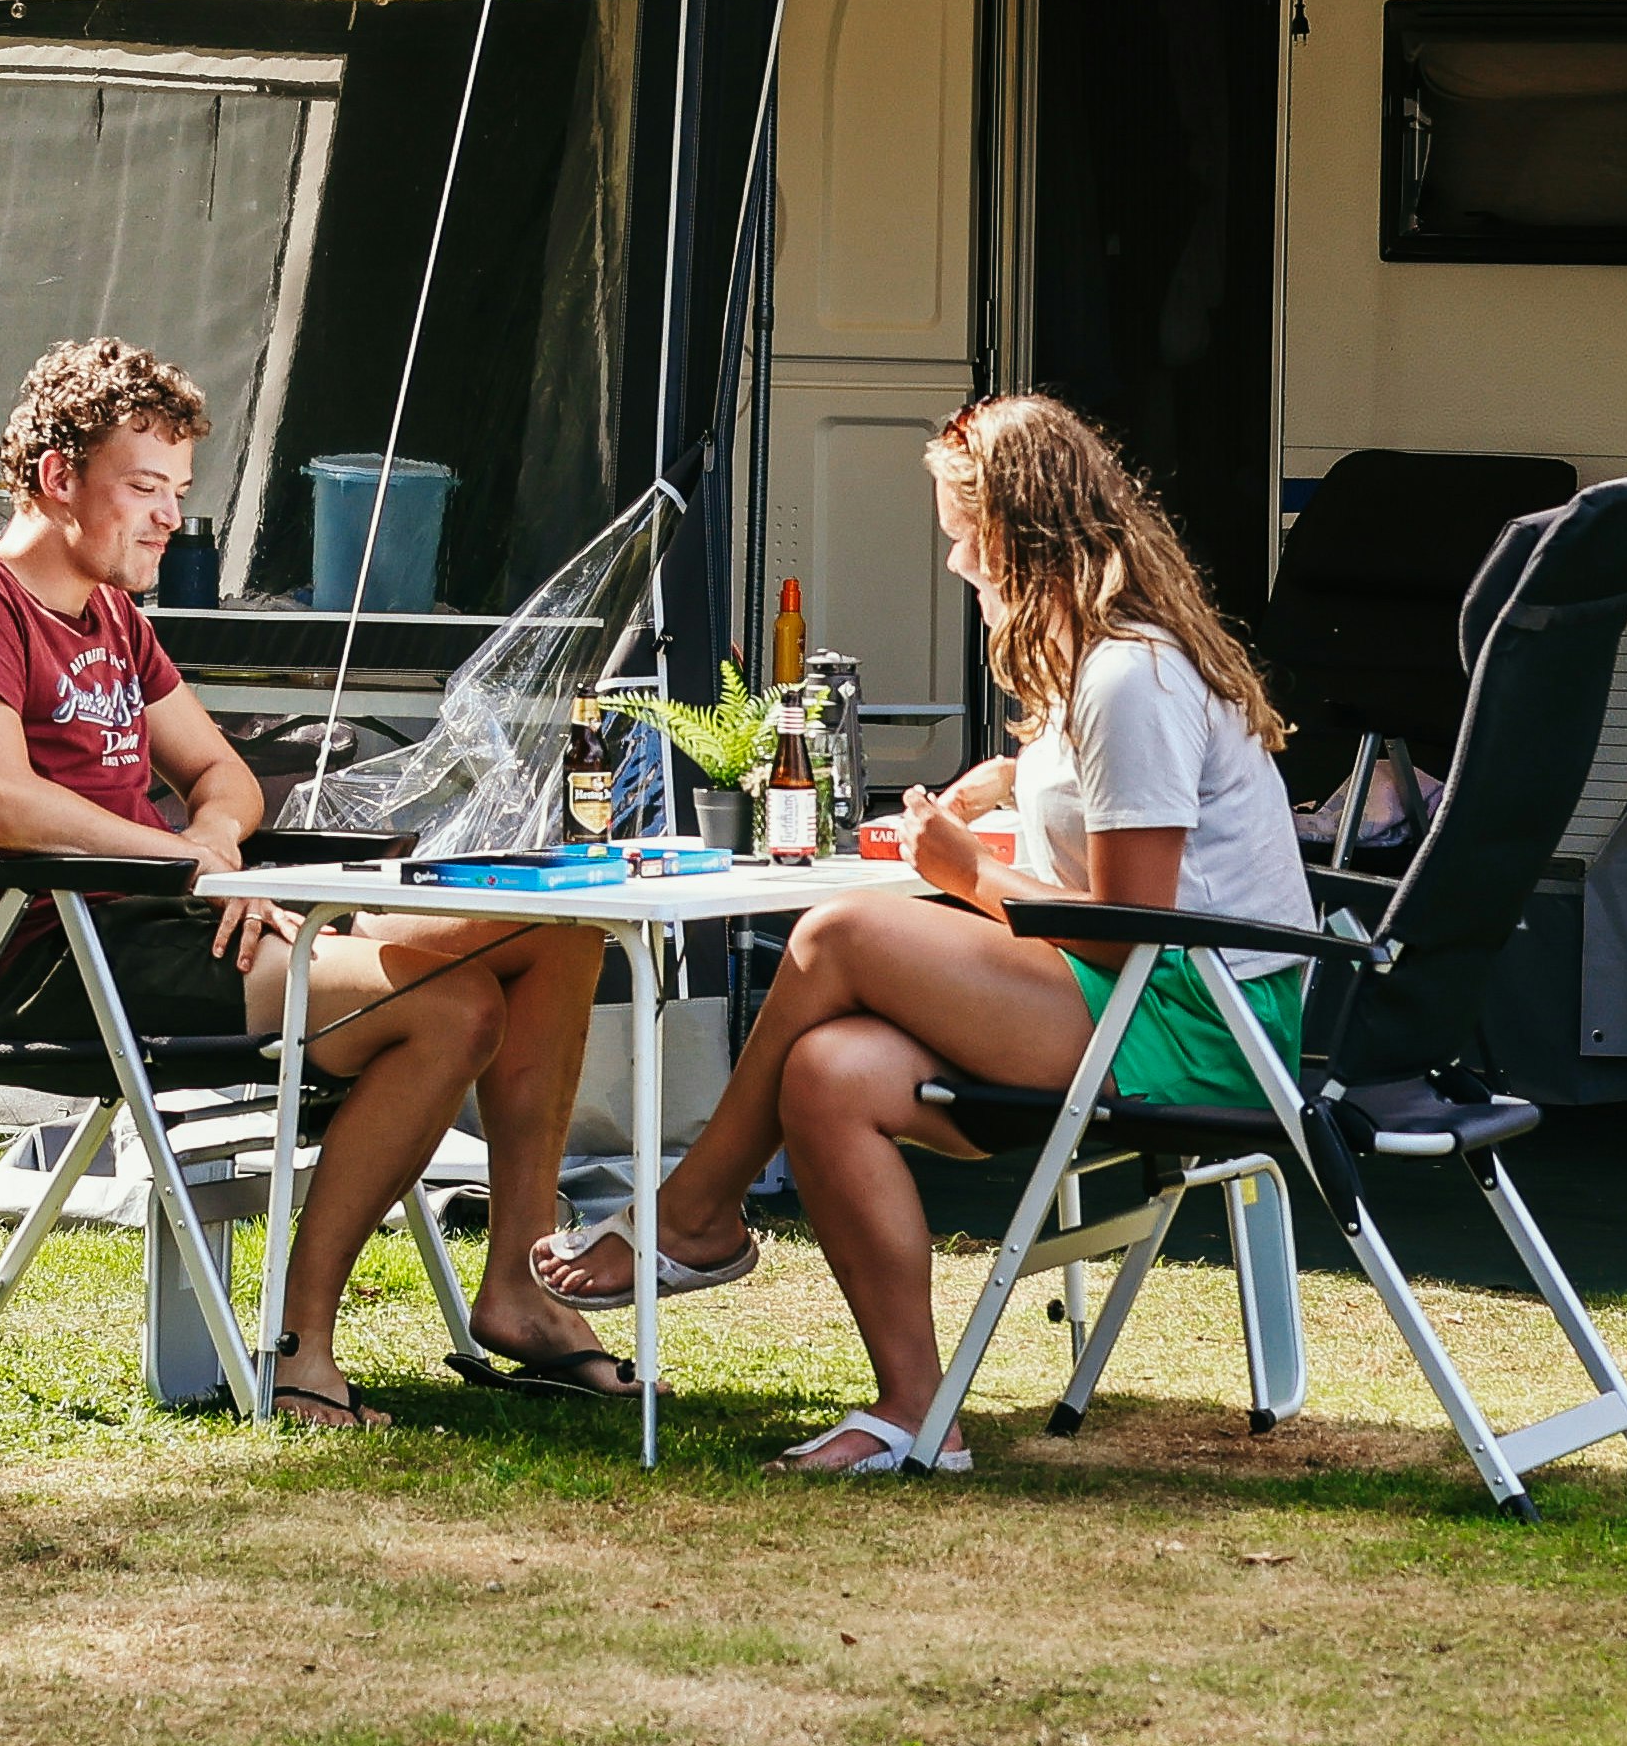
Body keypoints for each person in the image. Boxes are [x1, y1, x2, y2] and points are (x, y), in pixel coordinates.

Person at [533, 392, 1315, 1478]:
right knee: (827, 1070)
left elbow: (1135, 927)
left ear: (1018, 532)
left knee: (839, 930)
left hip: (1199, 1023)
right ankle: (915, 1412)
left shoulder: (1128, 678)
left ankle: (694, 1213)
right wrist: (1010, 792)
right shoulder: (1098, 667)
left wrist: (967, 870)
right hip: (1144, 1001)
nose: (954, 561)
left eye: (962, 532)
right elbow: (1108, 868)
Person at [0, 337, 632, 1430]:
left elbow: (222, 773)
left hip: (169, 919)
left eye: (178, 493)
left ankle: (517, 1285)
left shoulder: (112, 617)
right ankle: (298, 1349)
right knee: (450, 1010)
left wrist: (214, 846)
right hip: (59, 954)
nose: (167, 520)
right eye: (144, 488)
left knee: (551, 931)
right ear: (58, 477)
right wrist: (182, 859)